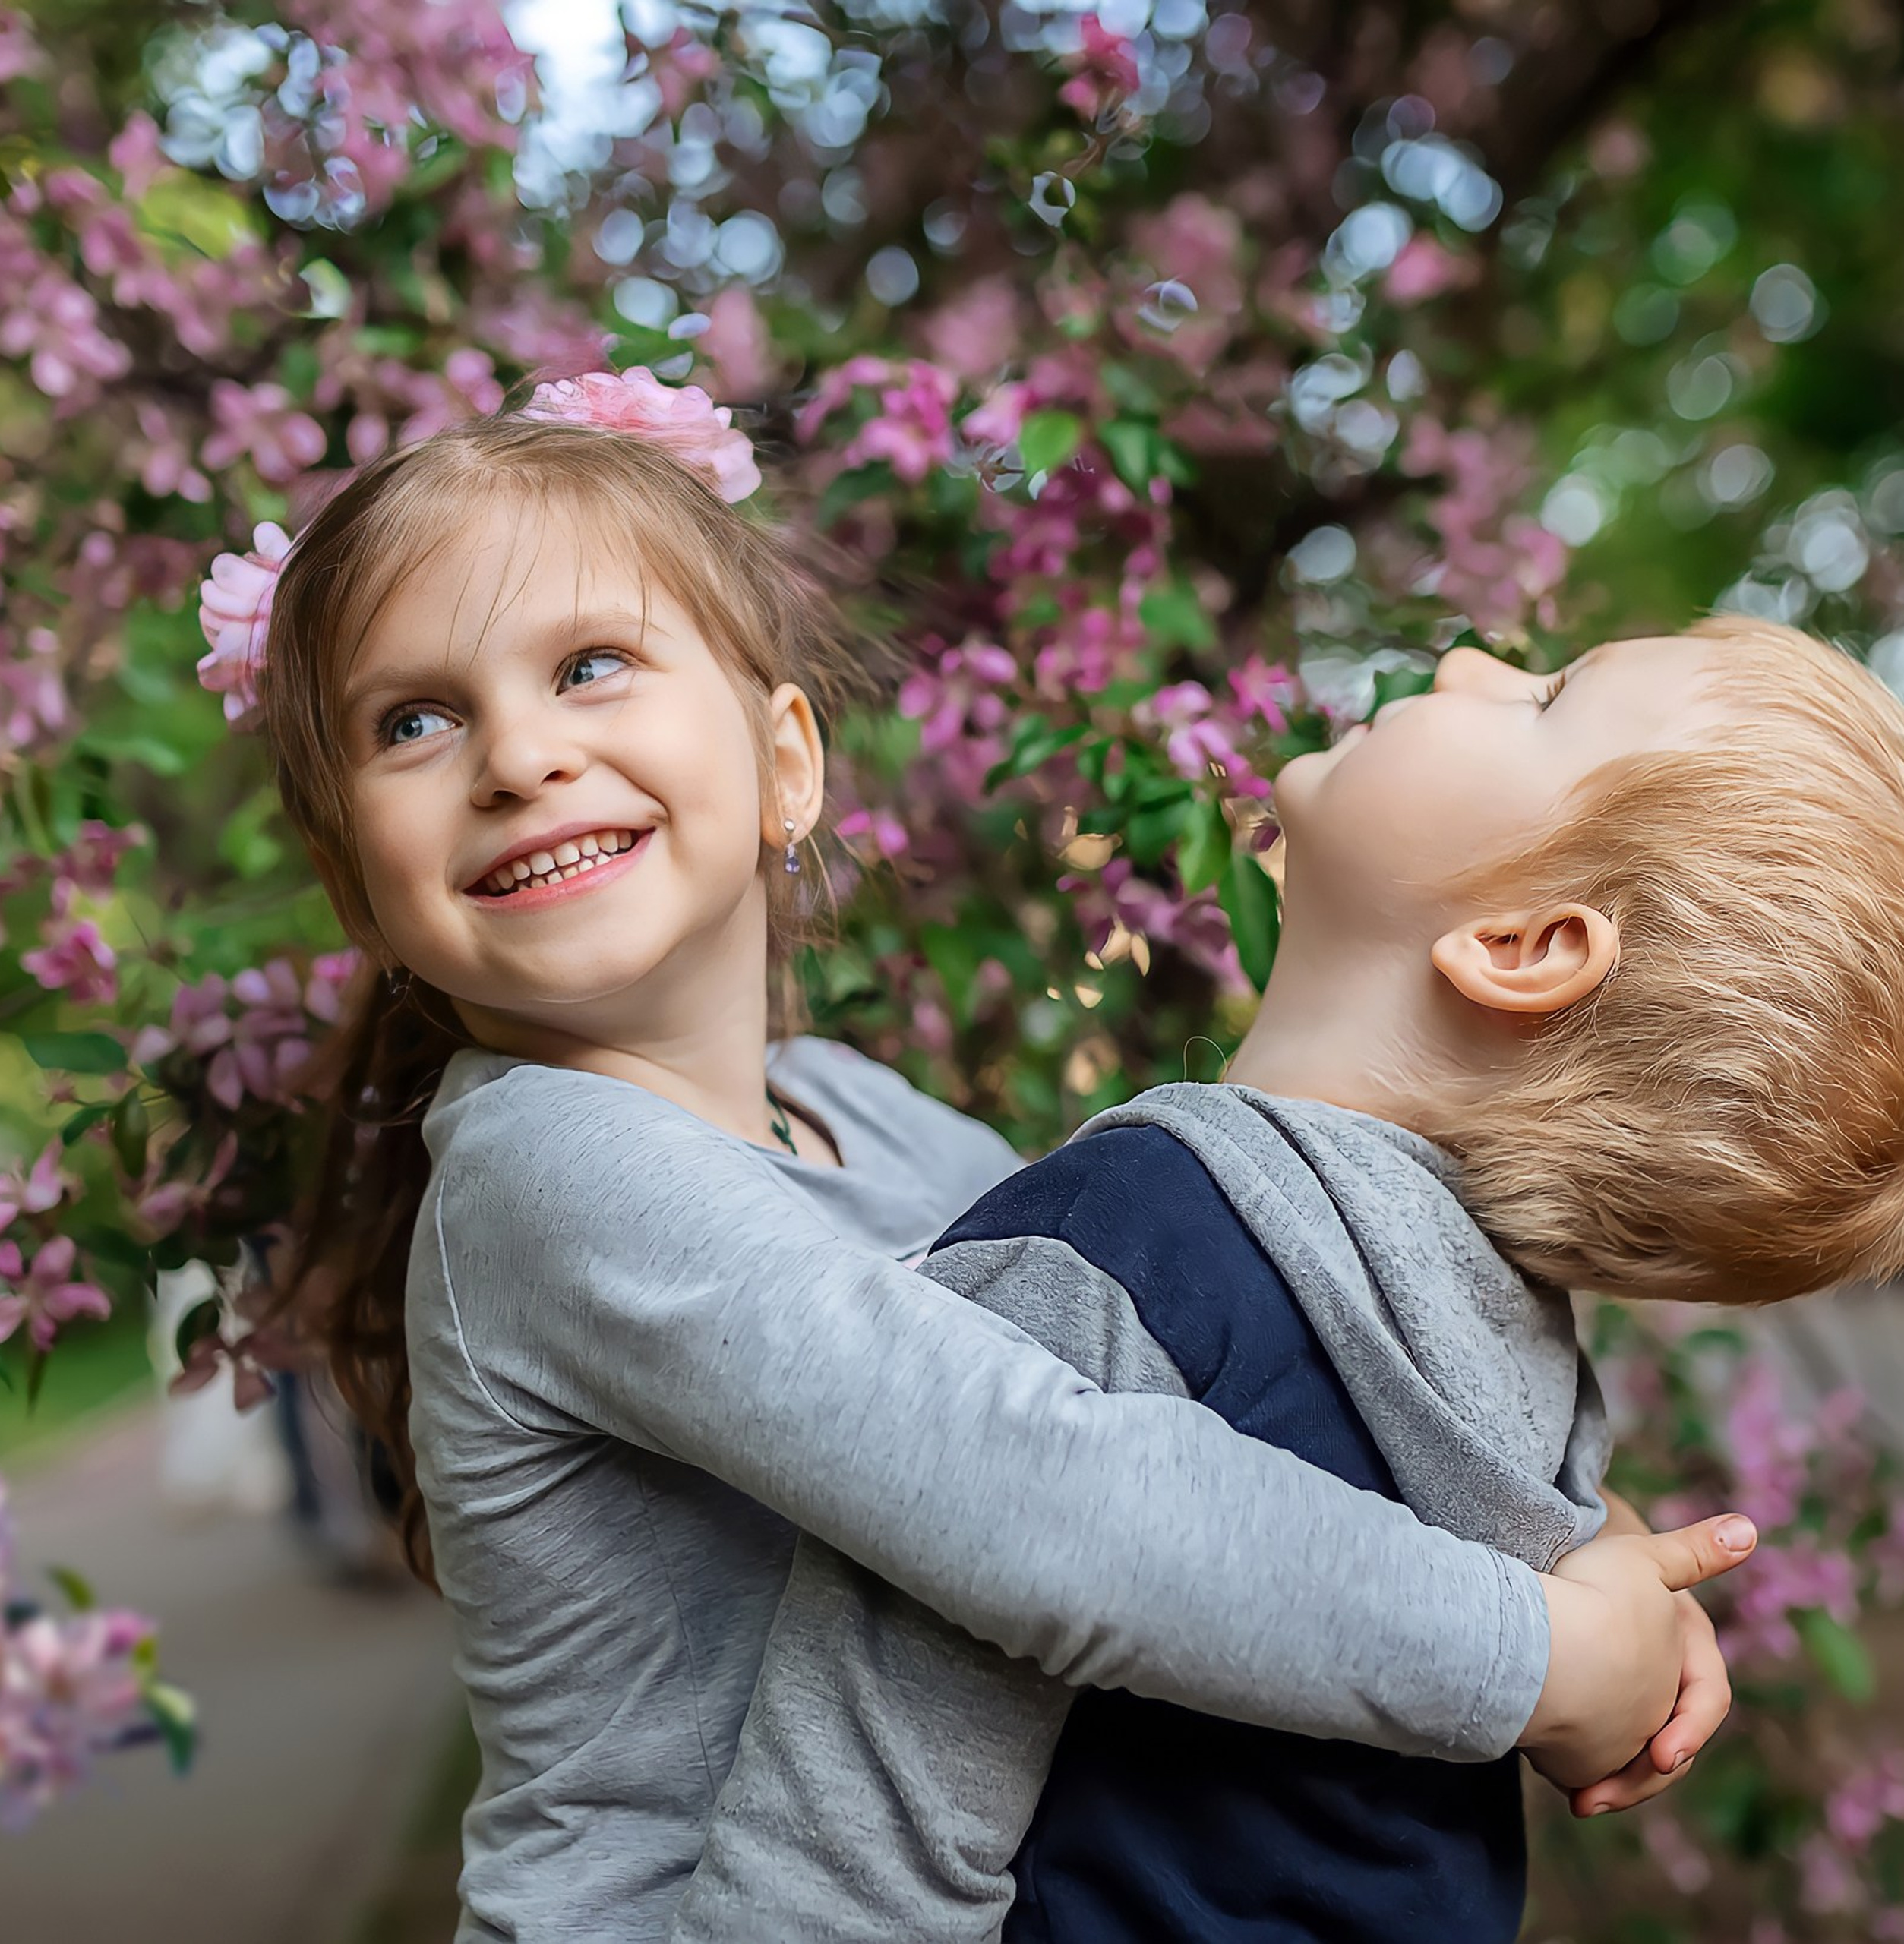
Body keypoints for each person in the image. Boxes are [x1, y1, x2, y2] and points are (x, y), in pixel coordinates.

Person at [228, 371, 1752, 1942]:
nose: (517, 754)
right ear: (360, 890)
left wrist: (1576, 1548)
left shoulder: (856, 1106)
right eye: (413, 718)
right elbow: (1050, 1491)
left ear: (784, 766)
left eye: (591, 664)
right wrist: (1541, 1653)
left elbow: (1167, 1378)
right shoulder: (546, 1171)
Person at [671, 617, 1904, 1944]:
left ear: (1519, 945)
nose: (1466, 665)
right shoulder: (1506, 1341)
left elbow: (858, 1818)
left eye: (1547, 697)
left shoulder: (1123, 1241)